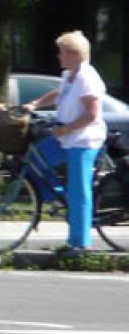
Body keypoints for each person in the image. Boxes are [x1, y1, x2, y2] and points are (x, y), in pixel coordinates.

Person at [22, 30, 107, 250]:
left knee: (80, 190)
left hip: (84, 139)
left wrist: (67, 129)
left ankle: (79, 245)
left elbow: (91, 114)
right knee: (35, 157)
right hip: (66, 135)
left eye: (61, 52)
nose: (58, 56)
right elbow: (57, 94)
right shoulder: (69, 75)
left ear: (74, 54)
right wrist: (34, 104)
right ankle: (59, 197)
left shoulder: (87, 78)